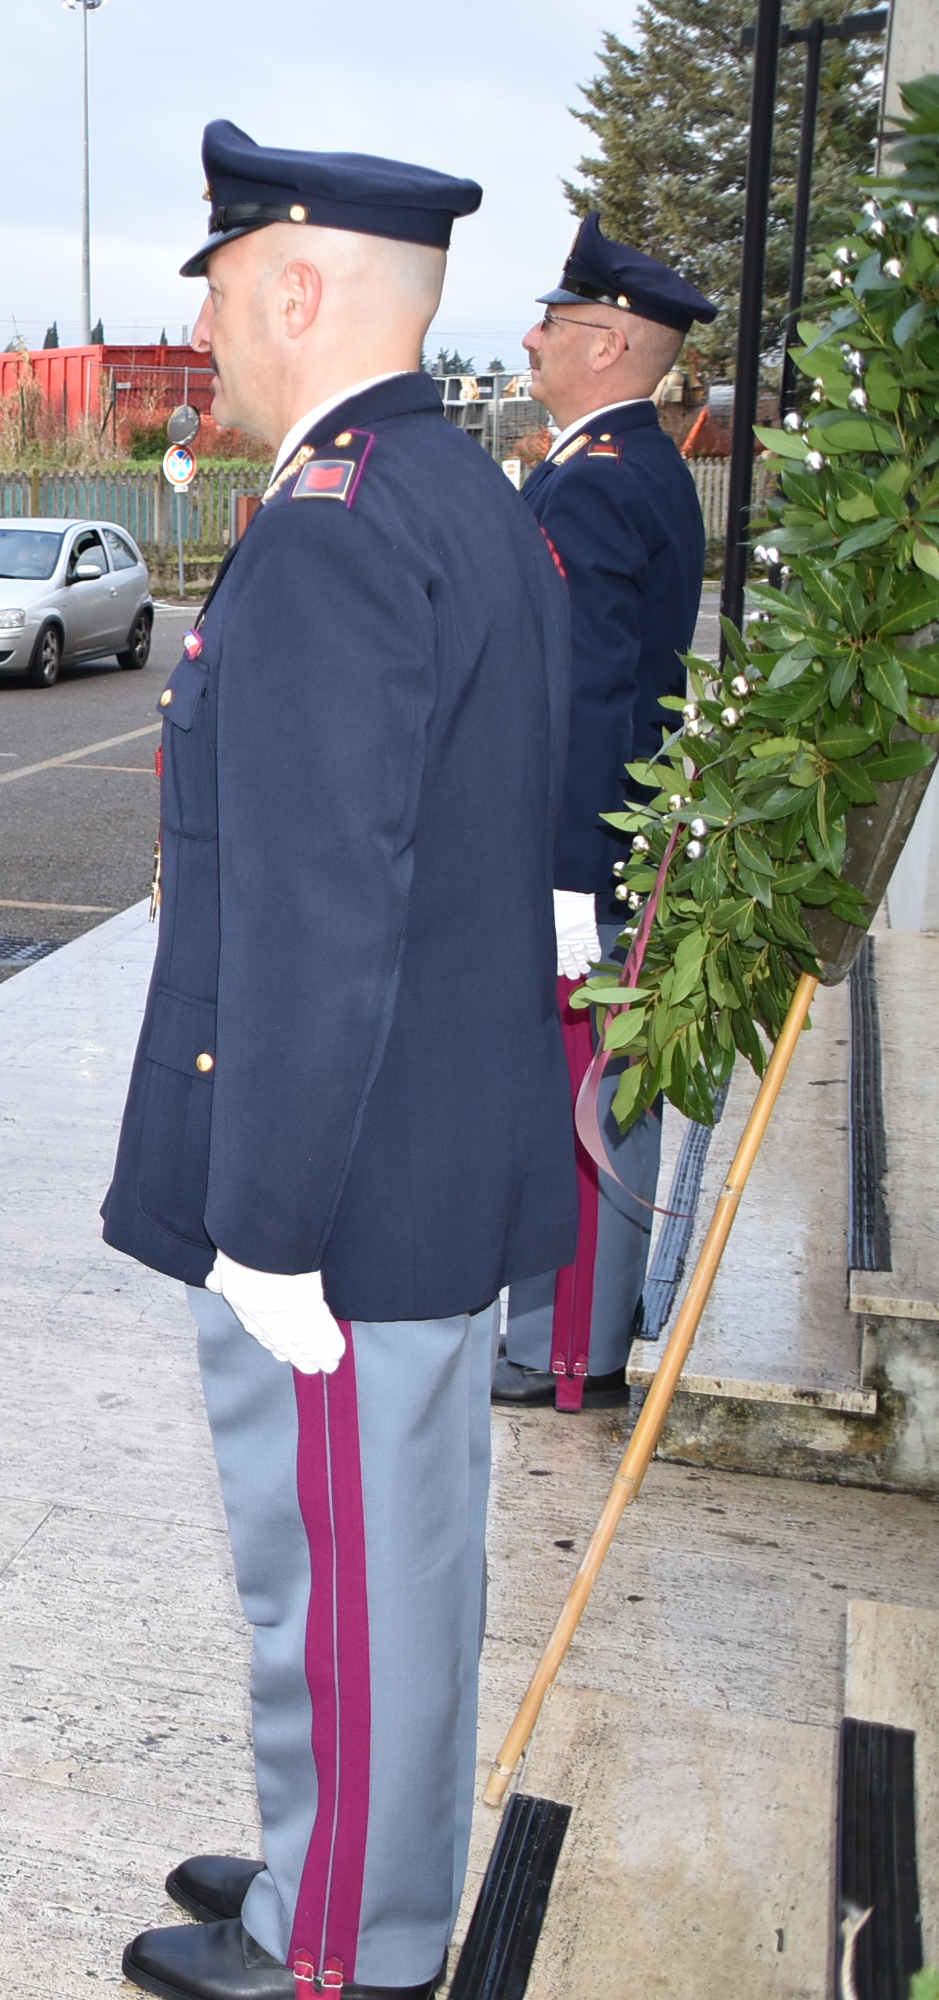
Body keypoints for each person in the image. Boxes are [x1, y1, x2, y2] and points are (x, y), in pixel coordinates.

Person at [97, 126, 573, 2000]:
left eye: (216, 289)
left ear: (296, 287)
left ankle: (343, 1958)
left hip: (340, 1188)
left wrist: (267, 1227)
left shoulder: (333, 530)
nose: (203, 331)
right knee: (389, 1572)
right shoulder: (459, 494)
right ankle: (340, 1862)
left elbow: (317, 913)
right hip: (431, 1144)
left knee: (348, 1586)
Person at [494, 217, 718, 1414]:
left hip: (585, 852)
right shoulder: (637, 469)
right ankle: (572, 1330)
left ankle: (564, 1349)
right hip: (617, 841)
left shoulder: (592, 486)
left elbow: (583, 704)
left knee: (581, 1099)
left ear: (611, 344)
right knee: (592, 1091)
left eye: (556, 323)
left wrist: (567, 881)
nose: (530, 337)